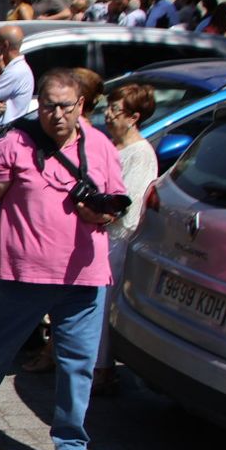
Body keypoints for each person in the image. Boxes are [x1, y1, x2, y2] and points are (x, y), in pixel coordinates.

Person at [0, 69, 128, 450]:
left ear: (81, 105)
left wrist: (102, 213)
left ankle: (71, 445)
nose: (56, 114)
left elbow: (117, 204)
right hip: (22, 274)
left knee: (77, 366)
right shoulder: (15, 144)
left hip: (84, 278)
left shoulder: (101, 147)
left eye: (65, 106)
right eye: (48, 105)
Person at [91, 81, 158, 394]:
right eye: (108, 109)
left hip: (115, 238)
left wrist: (98, 212)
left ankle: (101, 368)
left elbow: (128, 204)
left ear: (133, 117)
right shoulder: (110, 145)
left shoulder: (141, 154)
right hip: (98, 233)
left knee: (103, 304)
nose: (108, 116)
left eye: (115, 111)